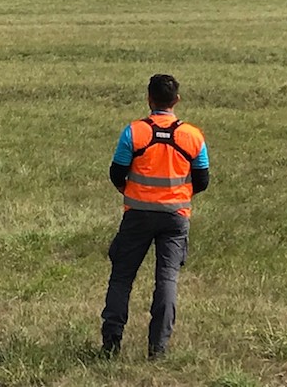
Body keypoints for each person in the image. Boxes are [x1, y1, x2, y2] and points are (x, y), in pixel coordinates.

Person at [100, 73, 210, 360]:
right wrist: (178, 197)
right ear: (177, 100)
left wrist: (132, 191)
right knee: (167, 279)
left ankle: (111, 344)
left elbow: (115, 172)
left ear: (149, 98)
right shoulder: (193, 135)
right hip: (175, 217)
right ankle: (157, 349)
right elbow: (202, 180)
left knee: (121, 278)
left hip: (137, 214)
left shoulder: (134, 132)